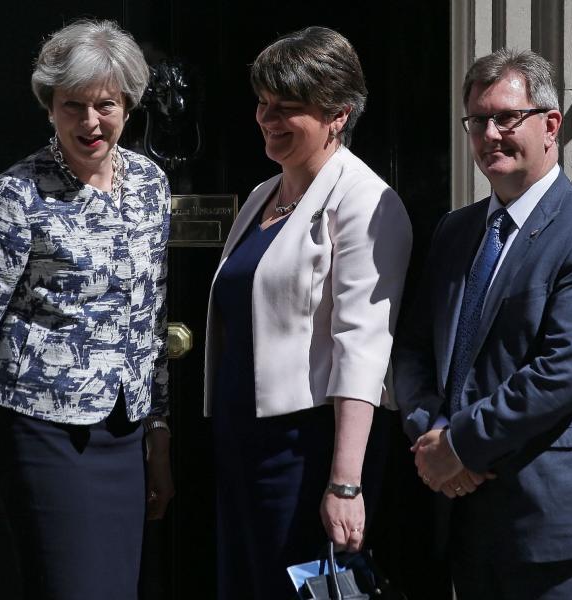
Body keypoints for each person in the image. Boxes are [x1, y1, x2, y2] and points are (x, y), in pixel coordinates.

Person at [0, 19, 173, 600]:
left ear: (128, 104)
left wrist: (159, 438)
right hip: (45, 433)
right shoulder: (10, 198)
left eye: (106, 105)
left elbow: (150, 320)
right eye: (73, 107)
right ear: (49, 106)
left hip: (126, 429)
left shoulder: (149, 184)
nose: (91, 124)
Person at [394, 48, 572, 599]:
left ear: (550, 124)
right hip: (465, 517)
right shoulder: (455, 232)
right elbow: (412, 350)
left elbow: (563, 372)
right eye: (477, 120)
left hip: (559, 523)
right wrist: (427, 432)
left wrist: (459, 444)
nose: (489, 134)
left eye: (506, 117)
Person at [204, 26, 412, 599]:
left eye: (288, 108)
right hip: (242, 444)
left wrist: (345, 482)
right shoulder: (260, 196)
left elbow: (363, 345)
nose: (268, 118)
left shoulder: (366, 200)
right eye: (264, 103)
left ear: (339, 115)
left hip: (304, 450)